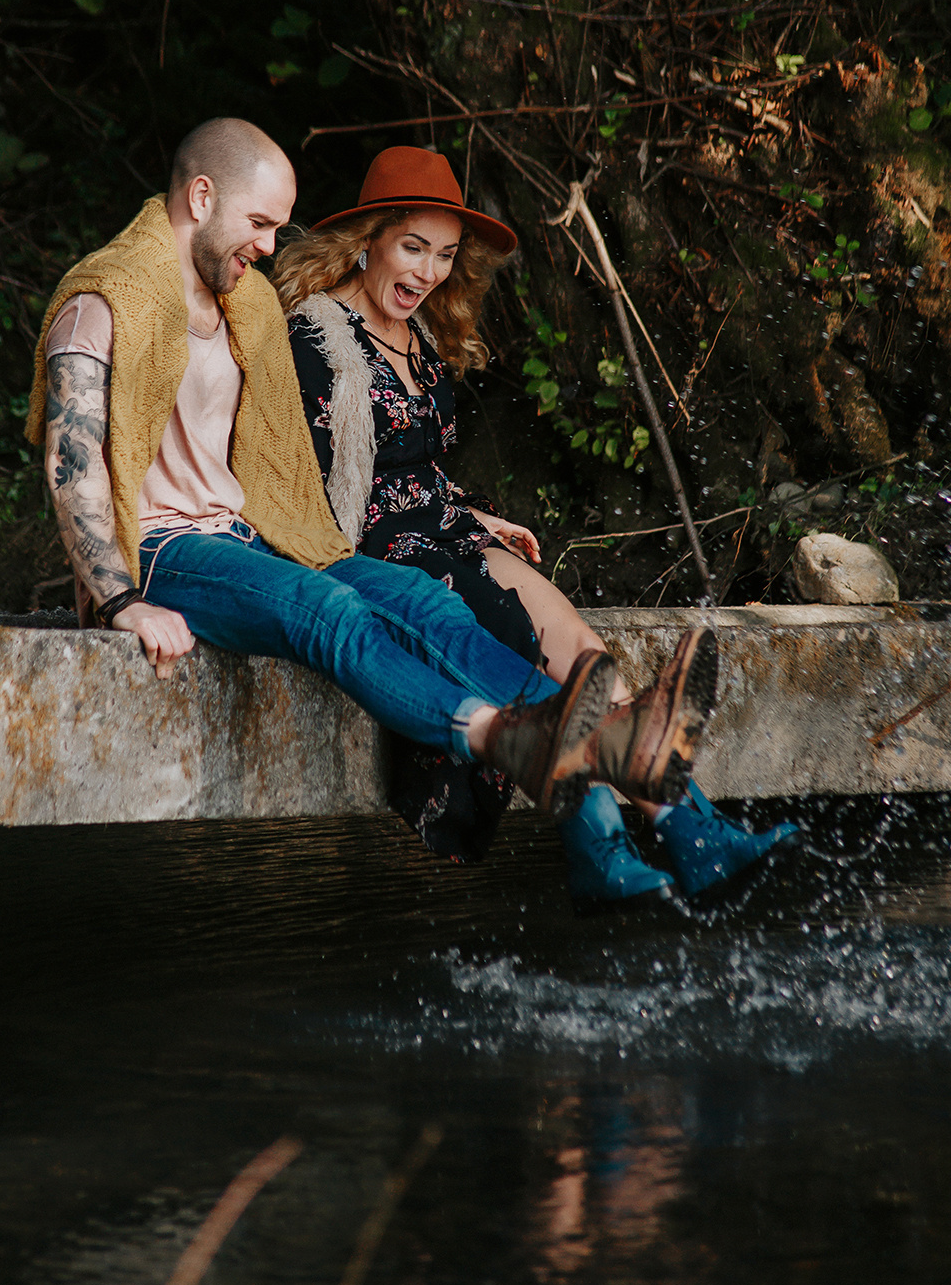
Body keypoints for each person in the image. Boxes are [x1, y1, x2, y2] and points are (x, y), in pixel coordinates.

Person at [25, 119, 719, 846]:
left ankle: (611, 742)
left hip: (249, 538)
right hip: (162, 551)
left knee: (422, 600)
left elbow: (280, 470)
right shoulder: (102, 301)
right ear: (201, 196)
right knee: (327, 609)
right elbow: (73, 464)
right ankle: (499, 737)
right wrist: (119, 601)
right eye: (259, 224)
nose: (268, 247)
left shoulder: (245, 304)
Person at [275, 145, 798, 903]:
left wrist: (470, 512)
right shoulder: (316, 336)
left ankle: (694, 832)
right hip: (377, 552)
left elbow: (409, 464)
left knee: (587, 656)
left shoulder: (416, 339)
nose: (426, 273)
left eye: (445, 256)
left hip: (444, 531)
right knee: (535, 667)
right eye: (412, 248)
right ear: (368, 240)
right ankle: (600, 844)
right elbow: (316, 487)